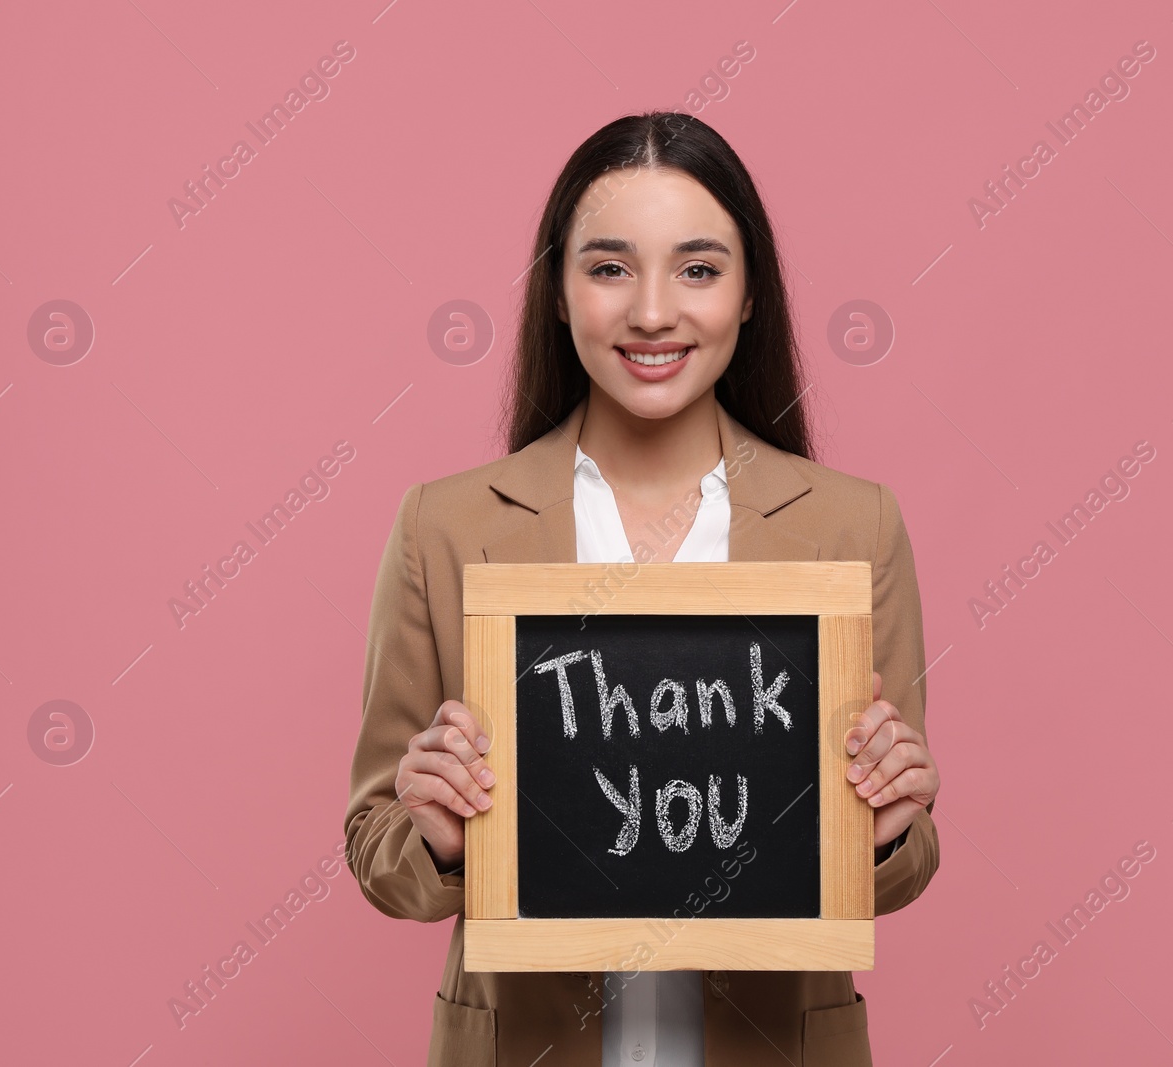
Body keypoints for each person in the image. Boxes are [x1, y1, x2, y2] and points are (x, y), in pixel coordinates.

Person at [343, 110, 941, 1067]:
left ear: (749, 297)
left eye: (699, 269)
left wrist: (890, 826)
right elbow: (379, 851)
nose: (653, 311)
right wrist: (442, 836)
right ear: (556, 290)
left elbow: (891, 869)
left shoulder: (853, 526)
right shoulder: (446, 527)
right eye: (610, 267)